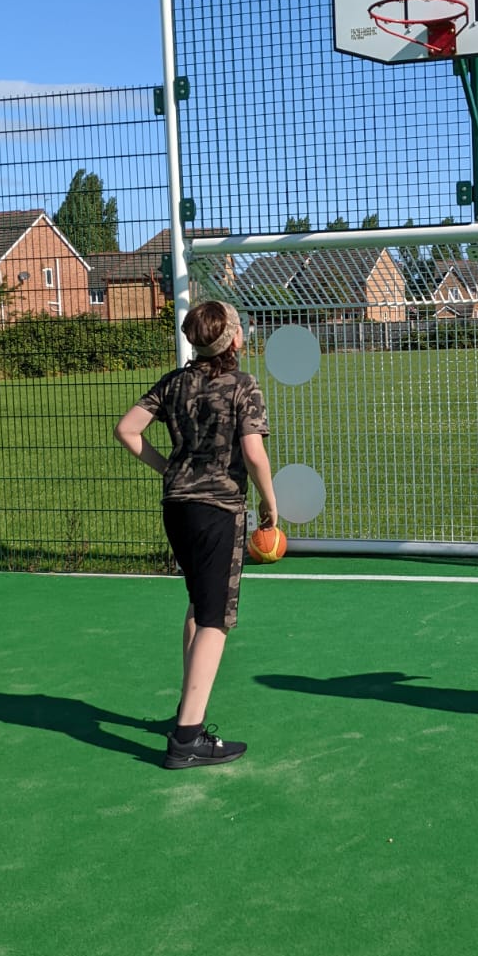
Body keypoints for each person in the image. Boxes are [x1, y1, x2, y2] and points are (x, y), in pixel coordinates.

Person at [114, 299, 278, 769]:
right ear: (234, 340)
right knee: (215, 619)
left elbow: (127, 429)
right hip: (218, 510)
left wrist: (169, 469)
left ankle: (190, 713)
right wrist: (270, 503)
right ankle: (186, 739)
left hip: (176, 508)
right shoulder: (243, 386)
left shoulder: (175, 383)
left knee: (196, 604)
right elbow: (253, 453)